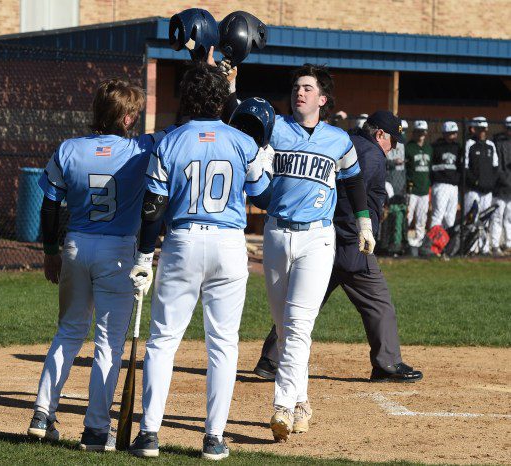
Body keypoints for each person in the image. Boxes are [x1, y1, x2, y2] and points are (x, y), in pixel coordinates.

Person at [127, 61, 272, 460]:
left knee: (163, 341)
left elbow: (153, 208)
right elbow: (263, 196)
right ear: (223, 100)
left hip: (183, 242)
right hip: (228, 244)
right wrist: (265, 156)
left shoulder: (170, 141)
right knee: (223, 344)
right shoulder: (242, 141)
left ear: (186, 99)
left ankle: (150, 434)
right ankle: (213, 437)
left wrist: (143, 255)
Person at [27, 79, 172, 451]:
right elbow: (183, 128)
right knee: (108, 342)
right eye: (134, 114)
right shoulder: (142, 148)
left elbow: (48, 205)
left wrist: (49, 251)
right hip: (120, 251)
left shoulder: (69, 149)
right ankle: (94, 430)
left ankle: (43, 414)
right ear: (125, 118)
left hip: (76, 244)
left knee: (69, 332)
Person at [249, 64, 373, 443]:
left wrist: (364, 222)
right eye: (296, 87)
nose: (299, 92)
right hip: (275, 234)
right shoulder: (275, 129)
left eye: (307, 88)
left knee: (300, 324)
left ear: (322, 99)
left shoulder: (338, 139)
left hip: (317, 239)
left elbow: (353, 181)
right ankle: (302, 402)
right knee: (285, 327)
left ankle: (282, 406)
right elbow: (257, 177)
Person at [254, 112, 422, 391]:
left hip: (323, 239)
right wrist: (354, 232)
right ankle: (387, 363)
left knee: (302, 304)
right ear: (379, 134)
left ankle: (271, 361)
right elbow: (346, 195)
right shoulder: (371, 153)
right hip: (347, 242)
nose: (394, 147)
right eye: (393, 139)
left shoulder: (348, 143)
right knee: (378, 302)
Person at [464, 116, 499, 254]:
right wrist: (475, 182)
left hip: (487, 190)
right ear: (475, 130)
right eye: (480, 129)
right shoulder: (469, 144)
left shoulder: (491, 145)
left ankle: (484, 247)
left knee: (486, 220)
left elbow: (495, 167)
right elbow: (465, 168)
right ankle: (470, 248)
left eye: (484, 129)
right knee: (472, 217)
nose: (483, 132)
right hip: (473, 189)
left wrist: (490, 182)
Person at [405, 120, 433, 250]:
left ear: (426, 133)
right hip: (411, 189)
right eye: (418, 131)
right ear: (414, 132)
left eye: (423, 132)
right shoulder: (409, 147)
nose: (421, 134)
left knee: (422, 218)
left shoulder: (429, 148)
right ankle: (404, 240)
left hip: (424, 189)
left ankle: (420, 241)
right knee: (408, 216)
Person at [430, 121, 461, 229]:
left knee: (450, 217)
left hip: (453, 186)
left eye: (455, 133)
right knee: (438, 215)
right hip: (440, 184)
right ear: (444, 133)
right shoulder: (435, 146)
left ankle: (447, 243)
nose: (454, 135)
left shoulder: (458, 147)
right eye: (451, 133)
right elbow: (431, 166)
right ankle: (433, 244)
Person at [491, 116, 511, 255]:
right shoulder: (497, 142)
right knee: (497, 216)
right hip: (500, 186)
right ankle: (494, 244)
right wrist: (503, 179)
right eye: (509, 128)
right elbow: (496, 165)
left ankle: (508, 243)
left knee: (509, 217)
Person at [386, 119, 408, 197]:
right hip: (389, 177)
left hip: (400, 178)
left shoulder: (404, 143)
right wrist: (393, 162)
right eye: (402, 130)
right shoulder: (387, 142)